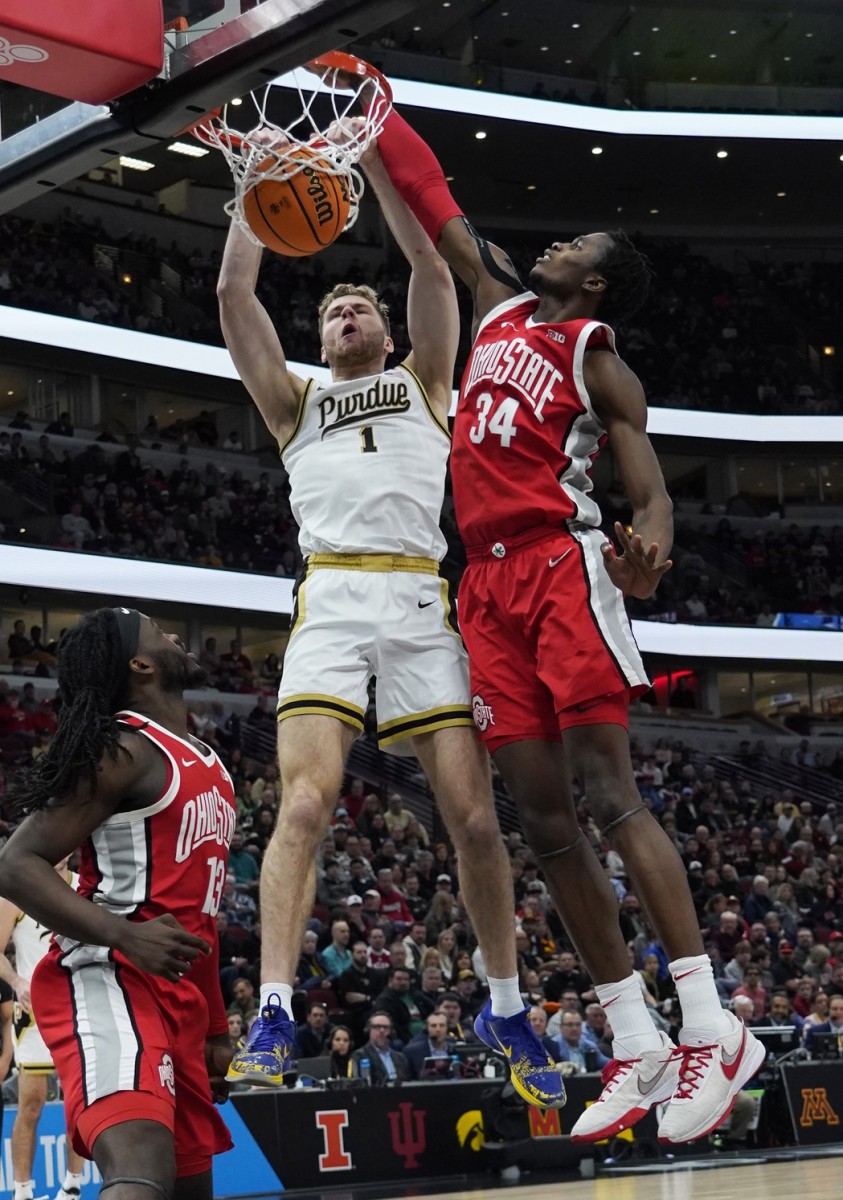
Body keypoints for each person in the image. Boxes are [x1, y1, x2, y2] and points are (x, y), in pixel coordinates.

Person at [369, 96, 763, 1142]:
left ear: (593, 280)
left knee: (610, 797)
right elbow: (434, 199)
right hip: (484, 587)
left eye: (576, 242)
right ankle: (632, 1040)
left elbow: (652, 485)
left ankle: (710, 1025)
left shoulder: (595, 352)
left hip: (560, 567)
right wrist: (368, 107)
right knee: (542, 822)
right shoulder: (497, 304)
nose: (554, 240)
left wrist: (652, 548)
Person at [218, 127, 563, 1108]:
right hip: (330, 598)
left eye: (358, 304)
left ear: (382, 327)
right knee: (303, 805)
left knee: (473, 819)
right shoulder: (293, 401)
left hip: (420, 598)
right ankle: (276, 1010)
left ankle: (504, 1006)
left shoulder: (426, 382)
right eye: (333, 310)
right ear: (321, 341)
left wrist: (364, 153)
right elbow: (234, 297)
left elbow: (426, 261)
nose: (348, 313)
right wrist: (256, 187)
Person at [0, 607, 235, 1200]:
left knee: (187, 1189)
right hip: (107, 979)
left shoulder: (206, 762)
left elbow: (198, 916)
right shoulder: (124, 750)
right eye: (160, 632)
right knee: (140, 1173)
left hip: (175, 996)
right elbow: (14, 863)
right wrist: (124, 935)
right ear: (141, 663)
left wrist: (213, 1023)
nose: (176, 635)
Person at [0, 861, 87, 1200]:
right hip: (34, 1015)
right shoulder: (16, 889)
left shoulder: (88, 885)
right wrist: (16, 980)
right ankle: (22, 1191)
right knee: (31, 1105)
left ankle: (73, 1185)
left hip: (79, 1011)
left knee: (77, 1105)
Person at [351, 1012, 411, 1083]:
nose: (382, 1031)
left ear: (391, 1031)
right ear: (369, 1030)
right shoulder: (360, 1055)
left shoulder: (400, 1057)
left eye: (385, 1027)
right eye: (377, 1027)